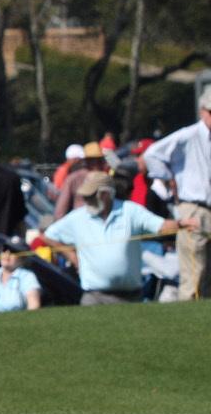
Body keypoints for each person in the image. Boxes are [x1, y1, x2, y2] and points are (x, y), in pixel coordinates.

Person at [36, 175, 181, 304]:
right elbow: (48, 235)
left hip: (130, 297)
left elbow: (161, 226)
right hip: (94, 297)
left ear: (104, 194)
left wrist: (182, 224)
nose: (85, 200)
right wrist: (72, 256)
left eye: (90, 196)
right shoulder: (78, 216)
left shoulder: (130, 210)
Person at [142, 87, 211, 300]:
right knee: (194, 272)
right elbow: (152, 154)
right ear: (202, 111)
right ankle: (190, 317)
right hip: (195, 208)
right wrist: (170, 177)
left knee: (207, 274)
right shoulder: (188, 135)